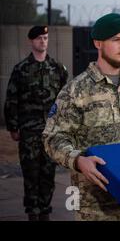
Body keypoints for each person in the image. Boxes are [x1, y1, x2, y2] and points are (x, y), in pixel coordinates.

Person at [43, 13, 120, 221]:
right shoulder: (76, 90)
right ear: (98, 43)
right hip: (95, 206)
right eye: (116, 39)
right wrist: (78, 160)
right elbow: (53, 138)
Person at [4, 25, 68, 221]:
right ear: (31, 41)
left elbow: (66, 99)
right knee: (31, 174)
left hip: (50, 133)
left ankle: (45, 211)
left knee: (48, 174)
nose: (43, 41)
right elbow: (12, 99)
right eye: (39, 38)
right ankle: (33, 211)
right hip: (29, 132)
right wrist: (13, 127)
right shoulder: (21, 69)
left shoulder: (58, 68)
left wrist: (64, 126)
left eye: (46, 38)